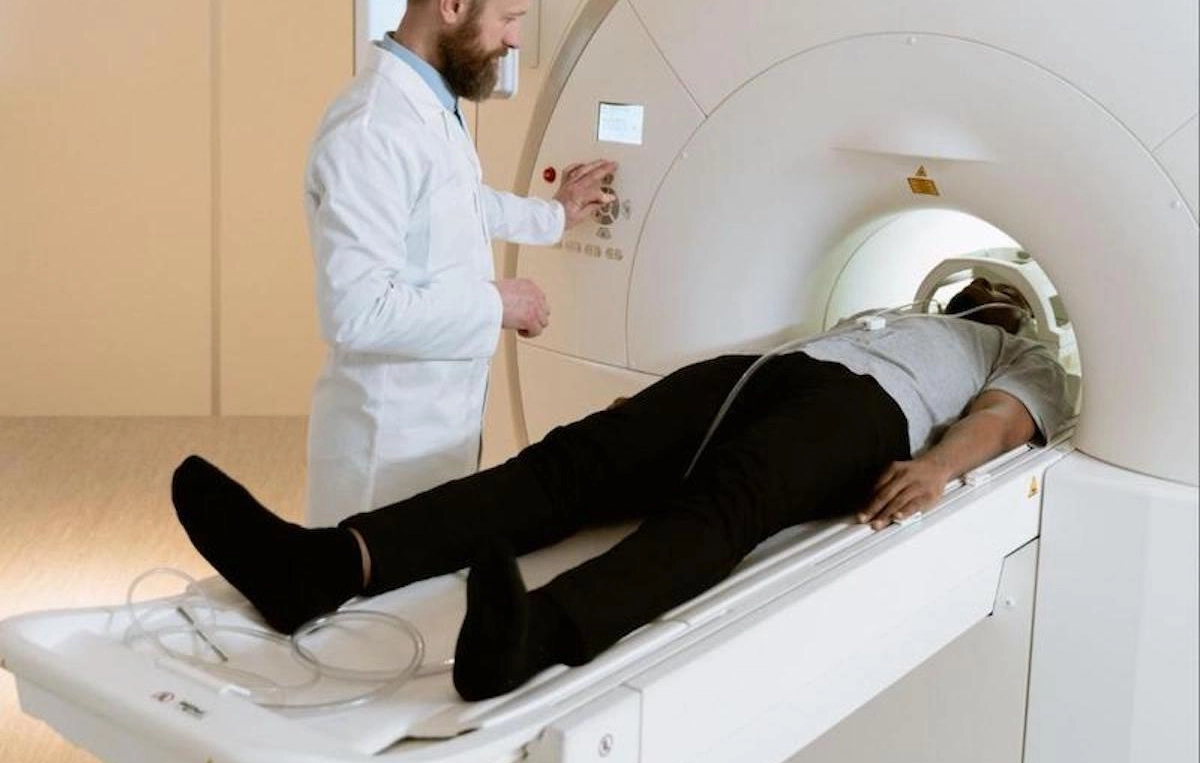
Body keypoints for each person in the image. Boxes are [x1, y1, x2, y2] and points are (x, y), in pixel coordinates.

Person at [171, 278, 1070, 701]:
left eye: (999, 286)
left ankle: (528, 639)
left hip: (871, 413)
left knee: (728, 506)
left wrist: (939, 466)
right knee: (575, 457)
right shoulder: (888, 308)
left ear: (1016, 307)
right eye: (975, 279)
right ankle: (324, 562)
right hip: (768, 370)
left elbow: (1002, 419)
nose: (985, 287)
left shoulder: (1014, 351)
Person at [304, 0, 617, 525]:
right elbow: (357, 311)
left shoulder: (428, 106)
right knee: (373, 603)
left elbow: (455, 205)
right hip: (384, 454)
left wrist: (554, 216)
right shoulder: (372, 129)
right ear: (451, 6)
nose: (515, 40)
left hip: (432, 435)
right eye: (509, 18)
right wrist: (497, 303)